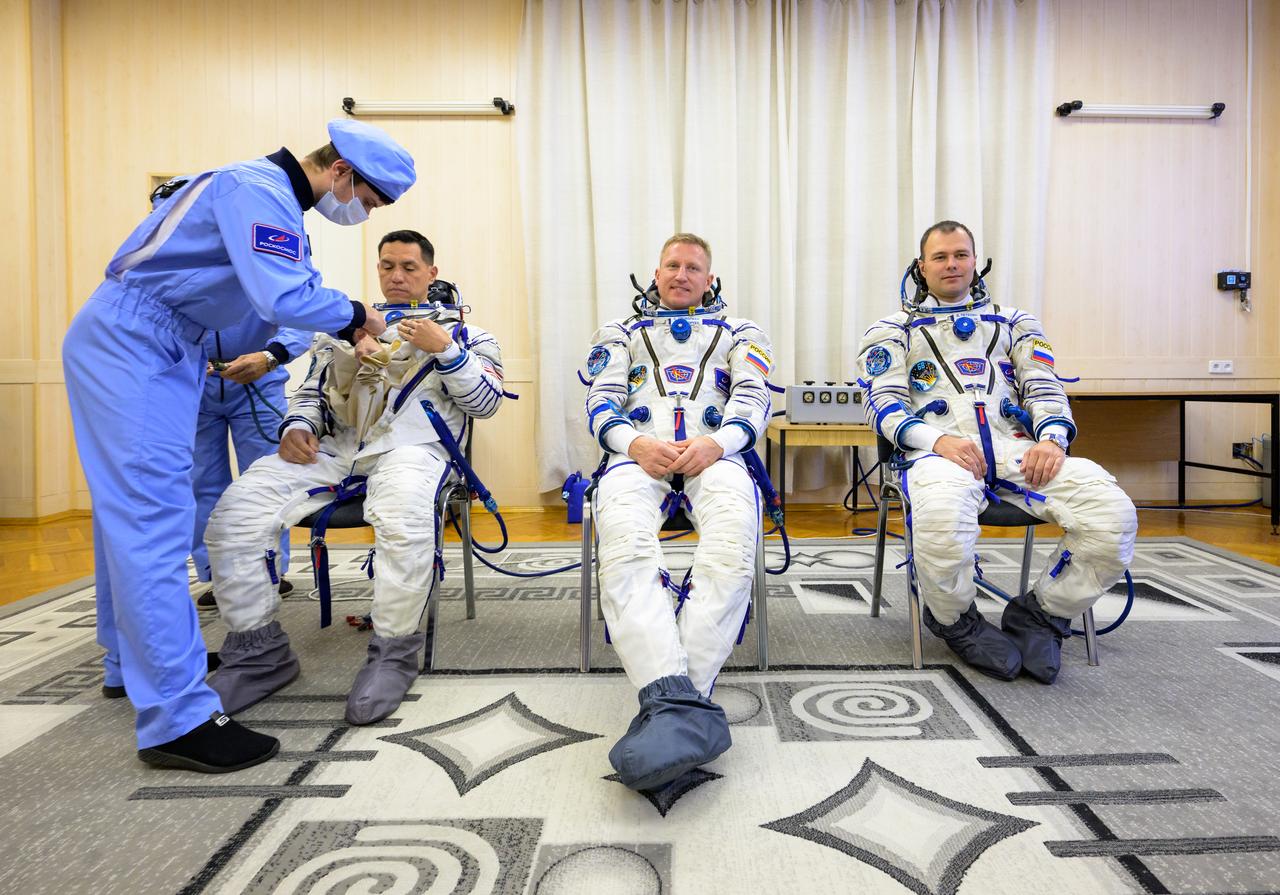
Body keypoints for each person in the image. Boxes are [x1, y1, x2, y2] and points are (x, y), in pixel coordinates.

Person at [63, 119, 415, 773]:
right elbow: (281, 294)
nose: (361, 214)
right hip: (141, 344)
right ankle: (177, 719)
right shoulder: (255, 190)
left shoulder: (266, 199)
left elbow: (280, 293)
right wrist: (358, 315)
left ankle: (126, 661)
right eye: (367, 201)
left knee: (134, 522)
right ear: (340, 172)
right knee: (154, 528)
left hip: (163, 345)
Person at [204, 230, 505, 726]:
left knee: (404, 518)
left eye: (409, 266)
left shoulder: (471, 337)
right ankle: (257, 654)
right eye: (388, 266)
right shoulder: (343, 329)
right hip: (339, 450)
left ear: (431, 273)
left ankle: (392, 653)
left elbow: (486, 404)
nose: (397, 275)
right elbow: (311, 395)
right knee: (237, 510)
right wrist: (298, 425)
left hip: (413, 451)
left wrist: (447, 351)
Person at [857, 221, 1137, 683]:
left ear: (975, 261)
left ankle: (1043, 613)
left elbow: (1044, 387)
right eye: (941, 257)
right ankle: (955, 620)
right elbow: (882, 405)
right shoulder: (891, 330)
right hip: (935, 454)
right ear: (921, 267)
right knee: (943, 521)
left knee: (1113, 514)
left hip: (1015, 450)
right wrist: (937, 440)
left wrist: (1052, 439)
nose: (952, 264)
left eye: (961, 255)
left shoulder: (1016, 323)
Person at [582, 233, 773, 790]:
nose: (682, 274)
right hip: (639, 455)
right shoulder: (618, 334)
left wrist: (720, 443)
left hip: (715, 454)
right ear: (656, 272)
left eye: (694, 267)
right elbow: (600, 400)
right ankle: (682, 704)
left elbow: (753, 400)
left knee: (733, 539)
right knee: (623, 542)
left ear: (710, 279)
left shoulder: (742, 335)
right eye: (673, 265)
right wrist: (632, 443)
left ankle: (672, 702)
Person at [191, 315, 312, 608]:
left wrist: (271, 355)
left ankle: (269, 571)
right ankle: (218, 576)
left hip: (258, 379)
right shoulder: (181, 270)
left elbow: (299, 314)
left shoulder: (266, 269)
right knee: (202, 483)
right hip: (195, 381)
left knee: (266, 482)